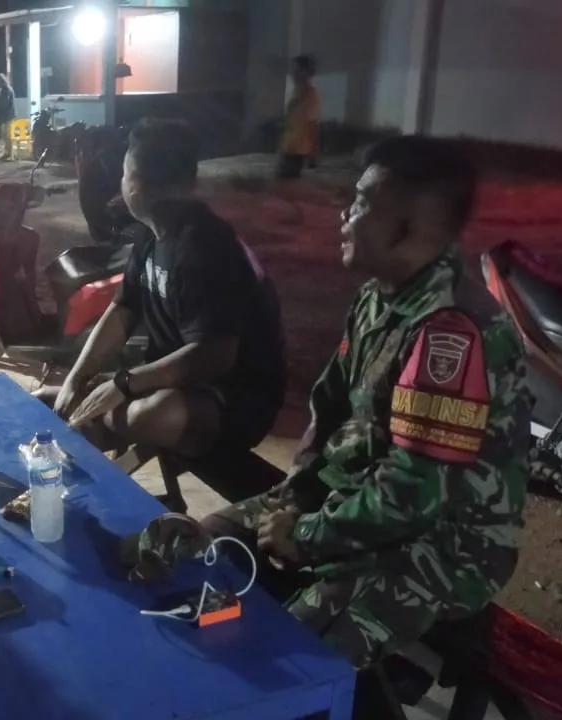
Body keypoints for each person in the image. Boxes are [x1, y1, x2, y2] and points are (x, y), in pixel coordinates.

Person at [131, 136, 531, 669]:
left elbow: (412, 496)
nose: (345, 215)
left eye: (361, 203)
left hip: (442, 545)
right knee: (203, 544)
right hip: (361, 502)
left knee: (287, 659)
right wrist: (294, 501)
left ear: (406, 229)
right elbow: (329, 413)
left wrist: (307, 535)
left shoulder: (450, 333)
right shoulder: (380, 296)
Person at [41, 118, 286, 483]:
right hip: (173, 382)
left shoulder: (203, 247)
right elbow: (122, 311)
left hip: (234, 400)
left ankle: (92, 427)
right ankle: (89, 422)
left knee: (151, 414)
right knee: (50, 399)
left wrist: (122, 385)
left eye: (124, 172)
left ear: (135, 184)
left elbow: (214, 356)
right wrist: (78, 378)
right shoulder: (152, 235)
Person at [278, 55, 321, 179]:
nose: (293, 73)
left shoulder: (311, 95)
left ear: (305, 72)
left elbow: (312, 124)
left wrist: (314, 152)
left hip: (299, 149)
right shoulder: (297, 93)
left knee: (289, 184)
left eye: (296, 70)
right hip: (288, 146)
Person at [0, 73, 17, 161]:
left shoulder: (6, 90)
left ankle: (10, 154)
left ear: (1, 81)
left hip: (8, 116)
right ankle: (7, 153)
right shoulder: (8, 89)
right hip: (8, 115)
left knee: (8, 136)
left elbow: (4, 104)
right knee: (6, 135)